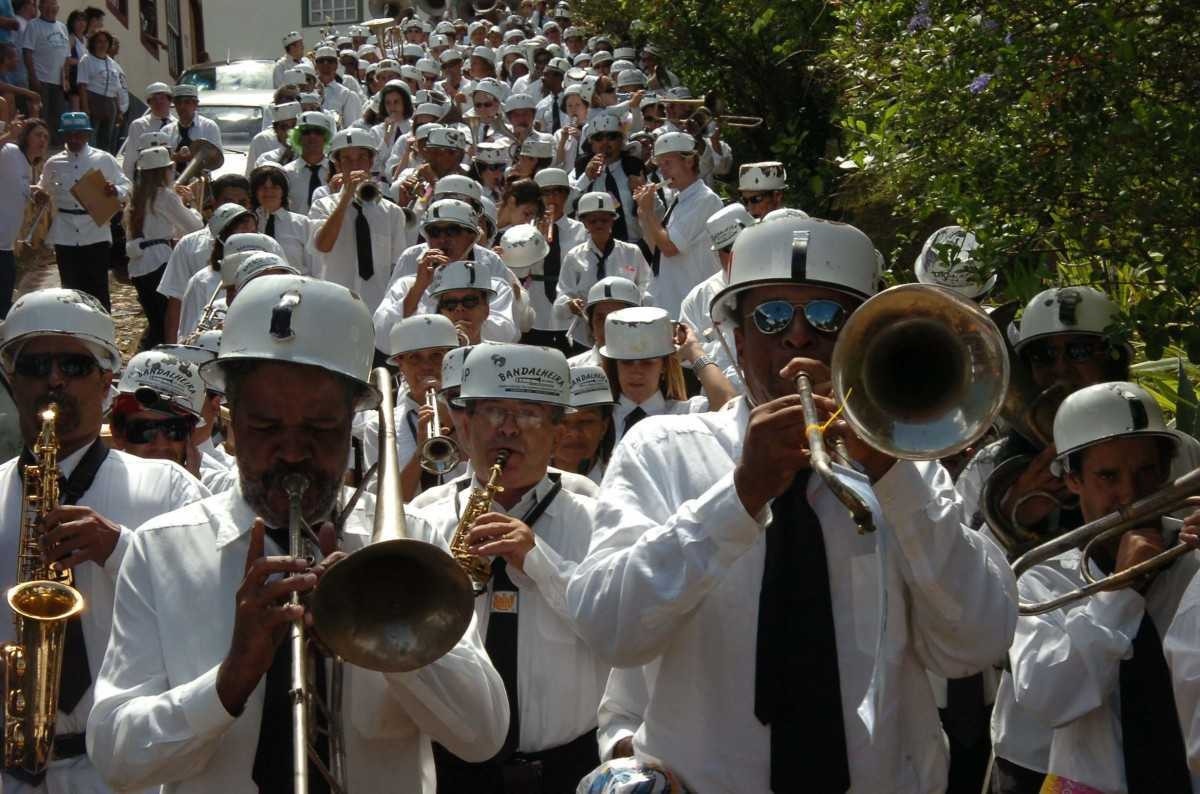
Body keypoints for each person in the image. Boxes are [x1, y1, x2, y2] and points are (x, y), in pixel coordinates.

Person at [564, 215, 1018, 792]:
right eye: (771, 315)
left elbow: (976, 643)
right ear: (736, 334)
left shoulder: (911, 473)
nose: (799, 337)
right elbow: (609, 630)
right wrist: (741, 493)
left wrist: (893, 479)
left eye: (828, 318)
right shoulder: (662, 450)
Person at [87, 274, 509, 791]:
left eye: (319, 429)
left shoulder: (414, 542)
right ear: (230, 424)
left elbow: (482, 736)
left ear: (352, 425)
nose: (291, 453)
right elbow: (116, 758)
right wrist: (229, 681)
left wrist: (390, 622)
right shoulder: (161, 549)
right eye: (265, 428)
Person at [0, 288, 207, 792]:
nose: (53, 380)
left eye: (73, 365)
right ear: (11, 382)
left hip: (124, 771)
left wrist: (122, 549)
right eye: (35, 366)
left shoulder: (169, 487)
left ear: (107, 382)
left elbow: (211, 607)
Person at [425, 342, 609, 792]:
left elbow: (617, 630)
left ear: (557, 429)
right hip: (451, 770)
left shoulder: (597, 517)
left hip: (570, 768)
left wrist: (540, 563)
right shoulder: (423, 519)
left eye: (528, 413)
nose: (508, 430)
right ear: (464, 424)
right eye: (491, 412)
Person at [1009, 381, 1199, 793]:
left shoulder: (1194, 557)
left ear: (1167, 471)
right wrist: (1117, 593)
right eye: (1107, 476)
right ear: (1073, 480)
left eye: (1146, 472)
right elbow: (1048, 700)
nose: (1129, 494)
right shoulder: (1044, 579)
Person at [375, 200, 519, 348]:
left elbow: (506, 334)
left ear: (471, 236)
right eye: (434, 233)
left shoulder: (495, 287)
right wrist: (418, 289)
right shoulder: (406, 286)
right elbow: (382, 337)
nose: (442, 240)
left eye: (452, 231)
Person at [309, 127, 411, 326]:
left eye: (361, 158)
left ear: (371, 161)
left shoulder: (392, 212)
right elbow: (323, 246)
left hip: (378, 310)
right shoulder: (323, 205)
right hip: (335, 307)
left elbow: (397, 268)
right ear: (337, 165)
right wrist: (345, 198)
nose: (354, 165)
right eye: (346, 159)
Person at [32, 111, 130, 310]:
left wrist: (115, 190)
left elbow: (127, 186)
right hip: (65, 232)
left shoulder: (104, 159)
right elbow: (44, 188)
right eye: (70, 134)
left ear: (87, 135)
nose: (74, 139)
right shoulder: (53, 163)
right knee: (70, 289)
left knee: (98, 287)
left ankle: (102, 330)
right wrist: (39, 195)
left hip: (95, 229)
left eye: (79, 134)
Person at [599, 306, 729, 445]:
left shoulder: (687, 414)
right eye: (626, 362)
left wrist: (694, 350)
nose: (636, 372)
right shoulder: (597, 418)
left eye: (647, 363)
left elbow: (727, 405)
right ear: (615, 364)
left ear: (664, 366)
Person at [633, 131, 723, 319]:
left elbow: (670, 247)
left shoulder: (704, 199)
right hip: (671, 300)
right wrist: (643, 213)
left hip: (693, 305)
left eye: (668, 163)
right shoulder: (679, 201)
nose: (662, 171)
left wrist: (650, 213)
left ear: (689, 161)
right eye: (660, 164)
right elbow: (656, 248)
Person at [124, 145, 203, 349]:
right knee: (165, 323)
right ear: (164, 171)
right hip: (159, 262)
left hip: (138, 265)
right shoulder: (165, 196)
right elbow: (195, 227)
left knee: (154, 320)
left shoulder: (134, 196)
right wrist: (191, 203)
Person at [158, 177, 251, 344]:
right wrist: (173, 351)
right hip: (200, 341)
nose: (236, 207)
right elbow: (176, 301)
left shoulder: (263, 243)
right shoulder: (189, 245)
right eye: (228, 201)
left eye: (242, 202)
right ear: (214, 203)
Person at [555, 191, 653, 348]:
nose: (599, 225)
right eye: (593, 221)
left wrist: (637, 304)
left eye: (604, 220)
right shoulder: (574, 256)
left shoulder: (631, 252)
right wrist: (570, 304)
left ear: (613, 221)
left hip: (627, 329)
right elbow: (564, 293)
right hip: (587, 333)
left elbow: (646, 284)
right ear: (584, 223)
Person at [678, 202, 755, 396]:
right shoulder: (697, 299)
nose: (736, 255)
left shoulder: (781, 283)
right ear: (716, 253)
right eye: (727, 249)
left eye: (742, 244)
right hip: (721, 405)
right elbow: (687, 361)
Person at [107, 349, 207, 477]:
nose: (161, 445)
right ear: (118, 434)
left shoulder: (216, 490)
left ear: (190, 436)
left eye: (174, 430)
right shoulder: (92, 493)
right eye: (144, 431)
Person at [570, 114, 642, 245]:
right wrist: (585, 179)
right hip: (591, 247)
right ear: (591, 143)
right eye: (598, 138)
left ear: (621, 140)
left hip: (633, 246)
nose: (605, 143)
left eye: (611, 137)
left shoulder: (634, 168)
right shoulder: (579, 169)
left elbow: (656, 211)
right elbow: (566, 207)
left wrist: (642, 192)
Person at [1, 116, 49, 316]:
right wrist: (8, 136)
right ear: (25, 136)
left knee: (4, 305)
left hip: (6, 246)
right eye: (38, 135)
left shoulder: (27, 166)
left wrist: (34, 191)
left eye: (46, 137)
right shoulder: (10, 152)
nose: (43, 141)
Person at [566, 276, 644, 368]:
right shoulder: (570, 370)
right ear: (592, 326)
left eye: (617, 319)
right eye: (600, 319)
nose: (607, 327)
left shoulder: (651, 370)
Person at [554, 364, 615, 484]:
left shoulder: (622, 483)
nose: (574, 433)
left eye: (586, 421)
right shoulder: (516, 486)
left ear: (604, 427)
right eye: (563, 421)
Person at [249, 162, 311, 274]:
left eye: (274, 187)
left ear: (283, 191)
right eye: (263, 187)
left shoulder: (302, 223)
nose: (269, 192)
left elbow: (312, 264)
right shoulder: (247, 223)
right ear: (255, 192)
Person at [21, 0, 67, 142]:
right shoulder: (34, 25)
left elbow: (66, 57)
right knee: (40, 119)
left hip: (58, 83)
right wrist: (33, 78)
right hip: (41, 80)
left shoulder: (62, 27)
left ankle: (53, 151)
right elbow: (27, 52)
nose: (50, 8)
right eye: (46, 4)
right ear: (40, 7)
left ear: (57, 7)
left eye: (53, 4)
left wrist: (65, 80)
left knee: (57, 119)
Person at [118, 81, 174, 181]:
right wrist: (130, 187)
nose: (159, 102)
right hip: (146, 180)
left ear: (169, 101)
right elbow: (130, 159)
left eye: (162, 98)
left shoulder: (177, 125)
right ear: (149, 103)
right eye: (154, 99)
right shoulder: (138, 125)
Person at [281, 109, 333, 215]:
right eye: (306, 132)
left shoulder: (336, 170)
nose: (312, 136)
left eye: (318, 131)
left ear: (325, 137)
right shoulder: (285, 173)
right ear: (298, 137)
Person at [163, 84, 222, 176]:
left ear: (195, 104)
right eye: (178, 103)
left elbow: (217, 159)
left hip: (199, 182)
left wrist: (193, 157)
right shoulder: (166, 131)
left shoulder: (209, 126)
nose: (182, 106)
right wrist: (175, 157)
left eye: (187, 102)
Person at [75, 29, 118, 152]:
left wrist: (118, 108)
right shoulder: (86, 60)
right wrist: (85, 107)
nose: (102, 45)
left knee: (106, 139)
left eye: (105, 42)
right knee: (91, 138)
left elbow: (116, 86)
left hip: (110, 103)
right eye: (99, 41)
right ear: (93, 43)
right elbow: (82, 85)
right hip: (94, 100)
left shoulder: (112, 63)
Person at [245, 100, 300, 174]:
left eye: (294, 127)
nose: (289, 132)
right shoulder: (266, 159)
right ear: (276, 130)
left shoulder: (311, 157)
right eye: (284, 127)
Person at [313, 45, 363, 126]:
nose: (325, 64)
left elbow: (351, 126)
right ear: (315, 65)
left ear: (336, 65)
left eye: (330, 61)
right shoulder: (309, 92)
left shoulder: (346, 95)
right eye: (321, 61)